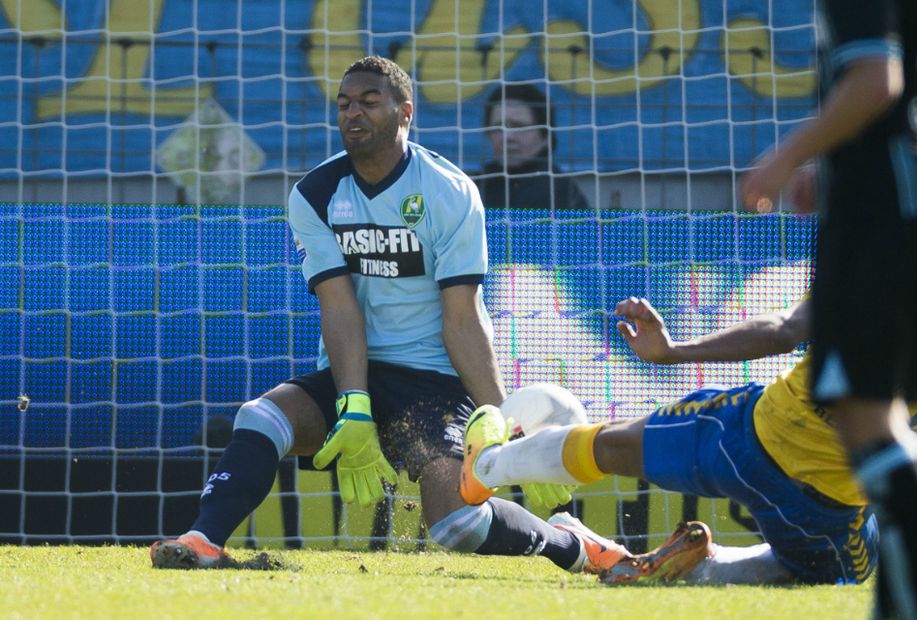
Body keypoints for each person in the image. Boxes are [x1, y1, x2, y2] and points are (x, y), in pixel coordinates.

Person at [149, 56, 628, 574]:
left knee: (455, 526)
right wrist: (354, 403)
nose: (353, 113)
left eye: (369, 102)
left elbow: (463, 318)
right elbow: (340, 305)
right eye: (345, 104)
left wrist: (500, 422)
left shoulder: (449, 191)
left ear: (405, 113)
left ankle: (570, 542)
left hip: (435, 384)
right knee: (261, 416)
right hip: (358, 372)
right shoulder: (314, 194)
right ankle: (203, 540)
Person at [459, 283, 917, 587]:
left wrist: (671, 351)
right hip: (831, 502)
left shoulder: (855, 291)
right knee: (822, 575)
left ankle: (487, 467)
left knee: (616, 445)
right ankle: (694, 575)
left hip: (746, 440)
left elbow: (778, 332)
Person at [739, 2, 917, 617]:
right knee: (875, 412)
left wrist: (785, 156)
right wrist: (835, 161)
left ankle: (912, 605)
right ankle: (899, 603)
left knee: (861, 412)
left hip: (883, 200)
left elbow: (876, 80)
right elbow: (913, 92)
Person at [475, 83, 589, 211]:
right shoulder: (475, 189)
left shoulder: (561, 191)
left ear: (545, 136)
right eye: (498, 128)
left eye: (519, 126)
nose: (507, 137)